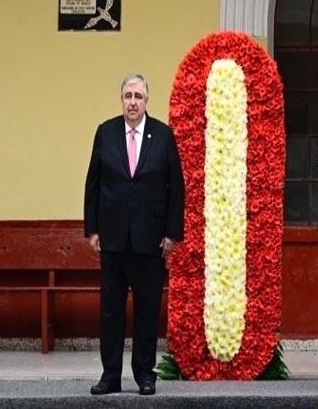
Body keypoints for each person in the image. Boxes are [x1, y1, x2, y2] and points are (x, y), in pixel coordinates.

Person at [83, 74, 184, 396]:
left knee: (147, 311)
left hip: (150, 240)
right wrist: (92, 229)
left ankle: (144, 375)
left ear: (146, 101)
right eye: (128, 96)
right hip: (112, 239)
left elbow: (176, 187)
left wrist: (172, 234)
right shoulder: (106, 132)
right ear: (121, 100)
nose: (132, 102)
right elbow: (93, 183)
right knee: (110, 312)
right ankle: (110, 375)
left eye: (138, 96)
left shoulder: (163, 135)